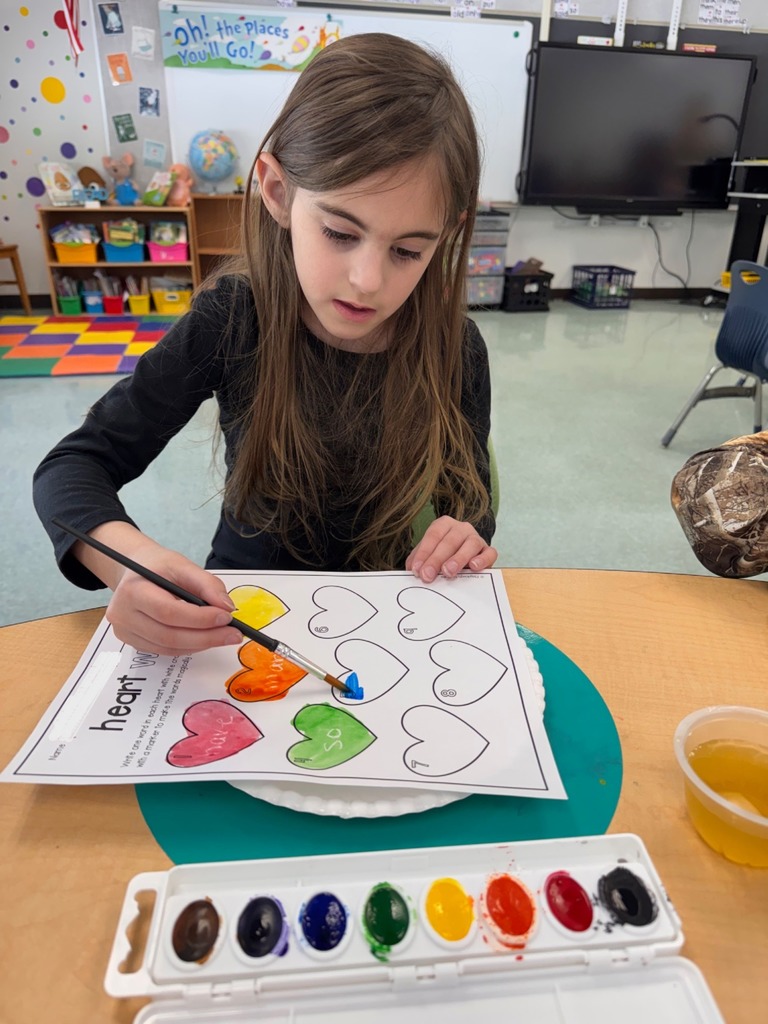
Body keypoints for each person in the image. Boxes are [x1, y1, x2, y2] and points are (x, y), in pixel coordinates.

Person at [34, 33, 497, 658]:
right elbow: (72, 468)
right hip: (240, 621)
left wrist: (462, 535)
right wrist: (129, 565)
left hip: (389, 627)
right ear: (278, 193)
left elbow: (470, 501)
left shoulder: (456, 347)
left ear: (448, 234)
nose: (368, 280)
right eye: (340, 232)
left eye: (409, 250)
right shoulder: (232, 319)